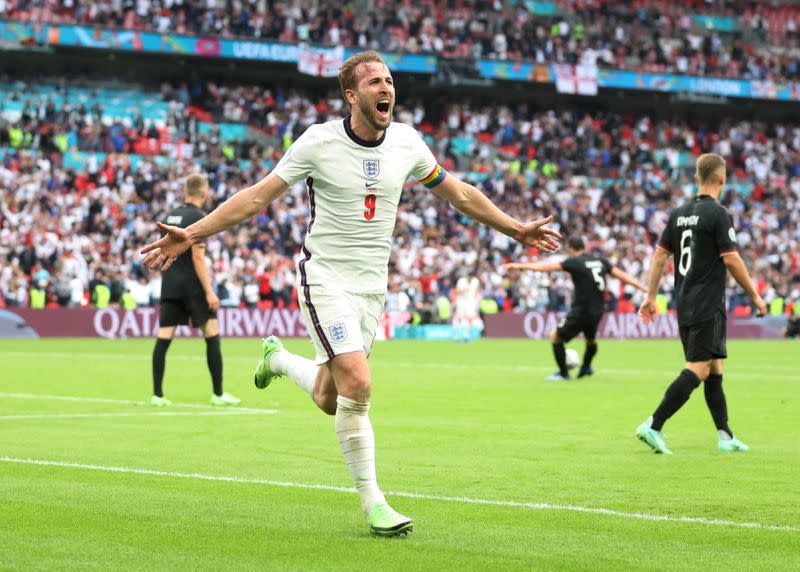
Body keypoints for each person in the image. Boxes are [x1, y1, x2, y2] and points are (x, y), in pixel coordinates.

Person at [141, 51, 561, 536]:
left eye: (389, 80)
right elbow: (256, 197)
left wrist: (515, 229)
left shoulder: (407, 143)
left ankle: (276, 360)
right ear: (351, 95)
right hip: (325, 277)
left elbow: (459, 193)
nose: (386, 88)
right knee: (358, 385)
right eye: (375, 82)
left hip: (371, 288)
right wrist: (193, 234)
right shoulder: (318, 142)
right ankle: (375, 504)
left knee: (329, 396)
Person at [636, 153, 767, 455]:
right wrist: (755, 296)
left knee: (714, 368)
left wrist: (650, 297)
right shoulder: (719, 215)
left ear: (697, 178)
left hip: (686, 302)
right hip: (707, 303)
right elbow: (732, 258)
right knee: (697, 368)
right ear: (722, 178)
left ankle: (725, 435)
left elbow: (659, 256)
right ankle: (653, 425)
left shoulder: (679, 214)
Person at [149, 173, 240, 408]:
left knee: (163, 339)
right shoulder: (198, 217)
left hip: (170, 285)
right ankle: (218, 394)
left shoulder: (170, 215)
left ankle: (157, 395)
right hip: (193, 287)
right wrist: (209, 291)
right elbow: (198, 257)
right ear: (204, 192)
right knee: (211, 335)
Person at [503, 237, 647, 380]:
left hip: (581, 310)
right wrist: (644, 288)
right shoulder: (600, 261)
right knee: (591, 340)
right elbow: (622, 276)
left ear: (571, 249)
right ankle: (586, 367)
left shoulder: (574, 262)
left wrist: (519, 266)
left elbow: (546, 267)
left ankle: (564, 373)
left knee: (555, 337)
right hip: (598, 310)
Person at [452, 275, 481, 342]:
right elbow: (457, 292)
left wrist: (477, 301)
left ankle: (467, 335)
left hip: (471, 301)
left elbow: (477, 290)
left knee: (470, 318)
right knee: (460, 318)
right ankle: (457, 336)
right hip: (461, 301)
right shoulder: (461, 281)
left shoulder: (475, 281)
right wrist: (464, 289)